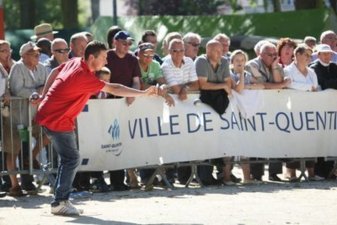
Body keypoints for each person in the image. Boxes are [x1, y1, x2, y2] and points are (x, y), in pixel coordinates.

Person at [34, 40, 157, 216]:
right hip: (57, 120)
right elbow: (115, 88)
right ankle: (60, 201)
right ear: (92, 57)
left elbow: (55, 71)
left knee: (68, 159)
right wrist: (143, 93)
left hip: (51, 116)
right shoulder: (84, 76)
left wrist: (45, 96)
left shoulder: (76, 62)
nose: (106, 62)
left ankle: (60, 200)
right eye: (104, 57)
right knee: (71, 159)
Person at [8, 41, 49, 195]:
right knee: (21, 146)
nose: (37, 55)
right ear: (24, 56)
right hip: (21, 115)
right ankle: (27, 182)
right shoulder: (18, 67)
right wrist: (35, 93)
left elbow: (48, 85)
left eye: (38, 52)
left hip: (38, 113)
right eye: (33, 53)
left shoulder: (42, 68)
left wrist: (39, 92)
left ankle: (31, 157)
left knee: (48, 135)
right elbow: (17, 89)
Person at [245, 42, 290, 181]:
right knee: (256, 140)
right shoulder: (251, 65)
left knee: (274, 139)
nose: (273, 57)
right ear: (261, 54)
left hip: (274, 108)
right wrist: (281, 84)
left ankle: (274, 172)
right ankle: (257, 174)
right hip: (256, 108)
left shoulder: (277, 65)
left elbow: (277, 82)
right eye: (270, 55)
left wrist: (275, 66)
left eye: (274, 54)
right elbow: (262, 84)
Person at [106, 30, 141, 190]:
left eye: (129, 43)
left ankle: (123, 179)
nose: (127, 46)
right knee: (110, 141)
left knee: (124, 140)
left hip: (125, 105)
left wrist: (132, 94)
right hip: (106, 104)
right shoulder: (107, 56)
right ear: (115, 42)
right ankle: (109, 180)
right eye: (124, 43)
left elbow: (136, 81)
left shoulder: (133, 59)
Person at [283, 44, 323, 181]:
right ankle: (291, 173)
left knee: (310, 141)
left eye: (309, 56)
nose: (308, 58)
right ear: (298, 55)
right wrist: (307, 88)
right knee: (294, 141)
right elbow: (289, 84)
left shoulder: (312, 72)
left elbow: (315, 87)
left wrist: (306, 88)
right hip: (293, 110)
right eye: (306, 55)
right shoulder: (288, 70)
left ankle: (311, 173)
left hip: (310, 110)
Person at [195, 40, 232, 185]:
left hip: (219, 105)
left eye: (221, 50)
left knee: (219, 139)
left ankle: (221, 174)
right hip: (203, 105)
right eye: (217, 51)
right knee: (205, 140)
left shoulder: (224, 61)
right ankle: (204, 176)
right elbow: (203, 85)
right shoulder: (201, 61)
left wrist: (220, 86)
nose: (220, 53)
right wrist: (221, 85)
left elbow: (229, 83)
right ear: (208, 51)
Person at [310, 44, 337, 179]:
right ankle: (320, 171)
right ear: (318, 55)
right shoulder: (314, 67)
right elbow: (323, 83)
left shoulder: (334, 66)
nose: (327, 56)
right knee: (321, 139)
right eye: (324, 54)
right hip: (320, 109)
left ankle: (330, 170)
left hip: (332, 108)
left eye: (329, 54)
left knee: (331, 138)